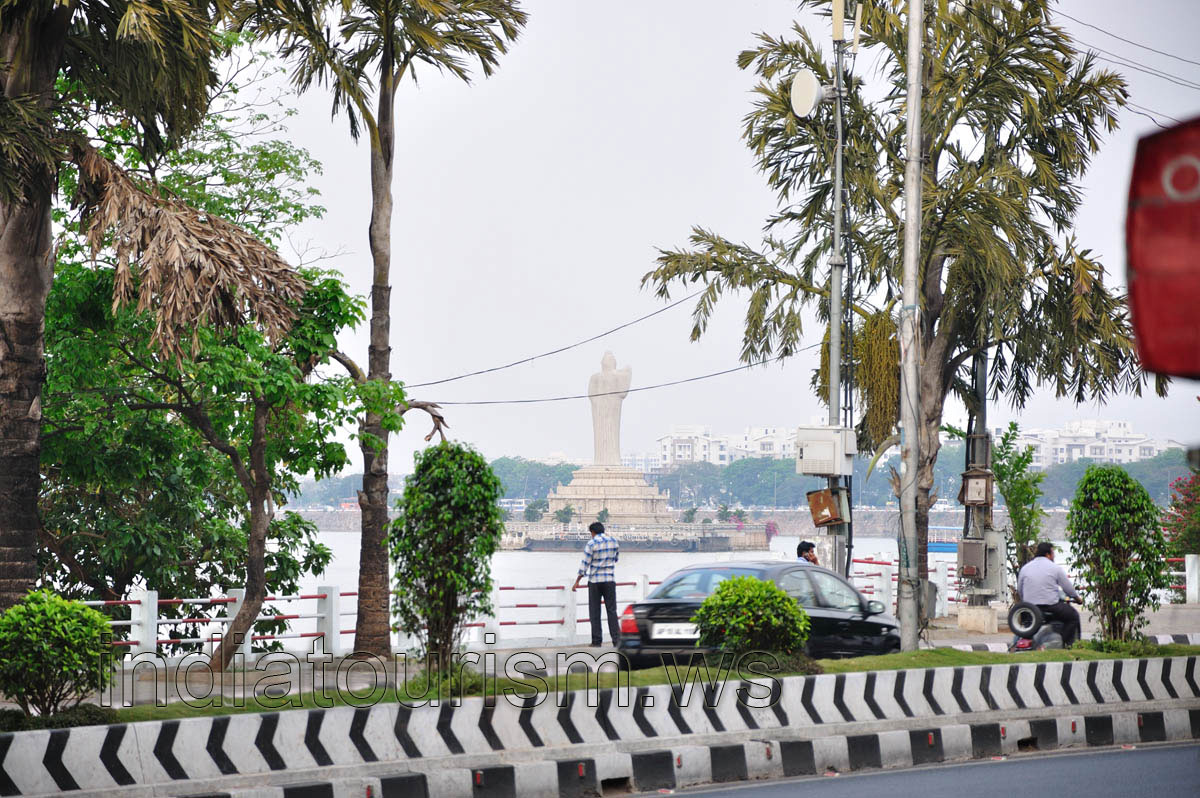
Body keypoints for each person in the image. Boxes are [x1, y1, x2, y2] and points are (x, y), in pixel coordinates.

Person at [1017, 541, 1081, 646]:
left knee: (1026, 624)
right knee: (1073, 616)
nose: (1054, 556)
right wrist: (1077, 598)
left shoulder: (1025, 568)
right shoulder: (1055, 568)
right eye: (1053, 553)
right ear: (1048, 554)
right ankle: (1065, 643)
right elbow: (1068, 588)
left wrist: (1026, 602)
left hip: (1029, 608)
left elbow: (1020, 589)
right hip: (1050, 607)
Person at [572, 521, 621, 647]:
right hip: (609, 580)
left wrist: (577, 581)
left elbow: (585, 564)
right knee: (612, 611)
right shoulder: (613, 541)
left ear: (593, 532)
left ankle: (596, 641)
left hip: (595, 581)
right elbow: (616, 558)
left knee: (595, 612)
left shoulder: (591, 543)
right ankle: (616, 640)